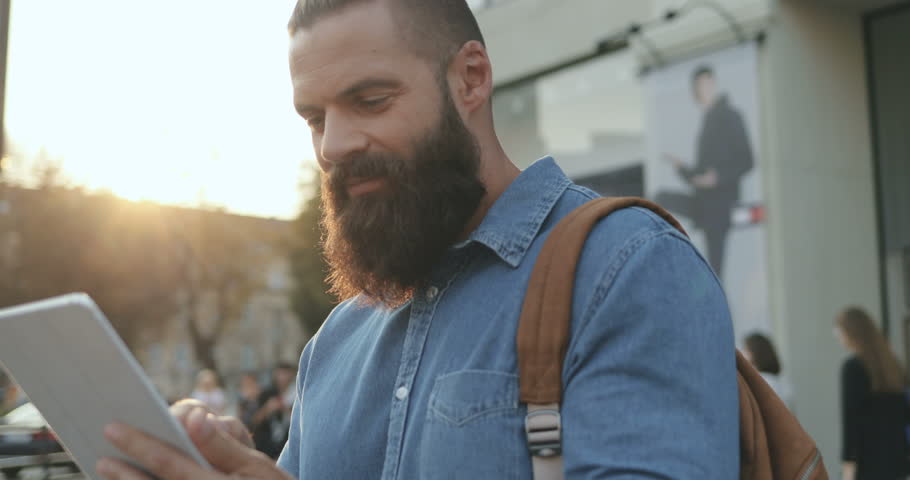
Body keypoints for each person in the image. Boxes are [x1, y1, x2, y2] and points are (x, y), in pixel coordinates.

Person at [96, 1, 739, 478]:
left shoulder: (624, 267)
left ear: (470, 79)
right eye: (314, 118)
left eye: (370, 100)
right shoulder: (335, 343)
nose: (333, 146)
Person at [655, 65, 754, 280]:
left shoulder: (730, 116)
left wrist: (717, 178)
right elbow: (700, 176)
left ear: (714, 85)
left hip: (720, 207)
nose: (705, 90)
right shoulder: (707, 120)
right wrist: (682, 168)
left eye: (708, 84)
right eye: (700, 86)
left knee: (715, 270)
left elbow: (747, 161)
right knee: (660, 199)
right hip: (705, 203)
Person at [835, 306, 909, 480]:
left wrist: (848, 465)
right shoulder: (892, 366)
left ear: (851, 332)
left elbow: (851, 421)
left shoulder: (852, 367)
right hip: (897, 463)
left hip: (867, 464)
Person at [251, 364, 296, 460]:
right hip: (266, 447)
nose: (282, 378)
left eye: (285, 374)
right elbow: (254, 421)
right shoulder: (267, 394)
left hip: (287, 446)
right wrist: (267, 408)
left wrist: (287, 409)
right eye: (280, 374)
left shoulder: (296, 395)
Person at [743, 332, 794, 409]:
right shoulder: (780, 382)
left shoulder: (765, 382)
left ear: (754, 352)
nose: (742, 352)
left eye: (745, 349)